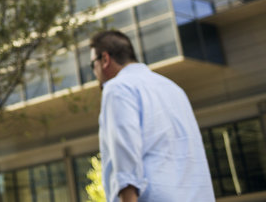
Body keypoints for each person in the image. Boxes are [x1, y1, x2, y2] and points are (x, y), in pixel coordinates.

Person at [90, 30, 214, 202]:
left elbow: (126, 161)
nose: (94, 73)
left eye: (92, 65)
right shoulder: (174, 89)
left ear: (105, 59)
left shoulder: (117, 88)